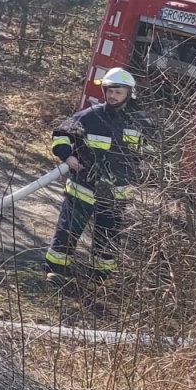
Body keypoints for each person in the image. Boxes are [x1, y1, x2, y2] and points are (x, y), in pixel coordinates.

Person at [45, 67, 149, 282]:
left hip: (116, 194)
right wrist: (68, 157)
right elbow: (61, 135)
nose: (113, 96)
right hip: (83, 188)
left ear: (129, 93)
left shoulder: (139, 123)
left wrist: (148, 169)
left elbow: (151, 152)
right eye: (110, 91)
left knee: (108, 236)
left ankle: (100, 277)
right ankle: (57, 270)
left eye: (118, 92)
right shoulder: (89, 116)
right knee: (68, 230)